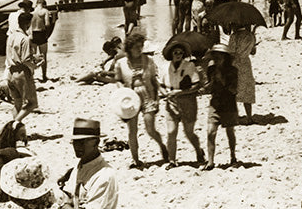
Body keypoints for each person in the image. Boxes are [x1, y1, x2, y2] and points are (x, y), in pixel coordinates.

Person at [109, 31, 167, 168]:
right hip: (129, 98)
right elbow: (118, 80)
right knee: (132, 130)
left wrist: (161, 93)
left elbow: (154, 79)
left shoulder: (149, 60)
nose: (139, 49)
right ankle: (136, 160)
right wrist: (122, 91)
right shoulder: (121, 63)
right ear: (130, 48)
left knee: (150, 129)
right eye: (136, 47)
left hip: (147, 94)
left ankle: (162, 145)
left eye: (141, 46)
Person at [160, 41, 205, 166]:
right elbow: (160, 85)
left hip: (188, 102)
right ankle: (172, 160)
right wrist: (166, 94)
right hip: (171, 102)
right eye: (176, 52)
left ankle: (199, 151)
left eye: (180, 52)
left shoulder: (189, 66)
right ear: (171, 54)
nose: (178, 55)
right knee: (171, 132)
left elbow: (196, 85)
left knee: (189, 132)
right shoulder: (165, 67)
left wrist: (180, 92)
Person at [58, 118, 117, 209]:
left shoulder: (105, 176)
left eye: (82, 142)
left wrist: (64, 204)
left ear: (97, 142)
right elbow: (69, 197)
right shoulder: (79, 167)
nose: (77, 146)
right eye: (75, 141)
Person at [3, 11, 43, 124]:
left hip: (11, 73)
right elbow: (25, 60)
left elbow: (14, 54)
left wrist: (33, 57)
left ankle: (14, 128)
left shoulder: (11, 37)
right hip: (22, 73)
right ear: (28, 24)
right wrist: (36, 65)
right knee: (32, 103)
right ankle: (14, 123)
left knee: (18, 103)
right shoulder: (25, 38)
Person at [204, 42, 239, 170]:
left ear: (225, 57)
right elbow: (209, 87)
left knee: (230, 131)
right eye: (215, 55)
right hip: (215, 103)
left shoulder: (233, 71)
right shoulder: (211, 69)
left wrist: (221, 79)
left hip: (229, 104)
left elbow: (234, 90)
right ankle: (210, 161)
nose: (217, 58)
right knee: (210, 132)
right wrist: (207, 85)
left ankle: (233, 156)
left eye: (220, 55)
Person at [227, 24, 258, 121]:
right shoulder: (250, 36)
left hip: (235, 64)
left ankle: (234, 116)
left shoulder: (234, 36)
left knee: (233, 89)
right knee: (247, 89)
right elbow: (253, 52)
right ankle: (249, 117)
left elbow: (231, 52)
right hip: (246, 63)